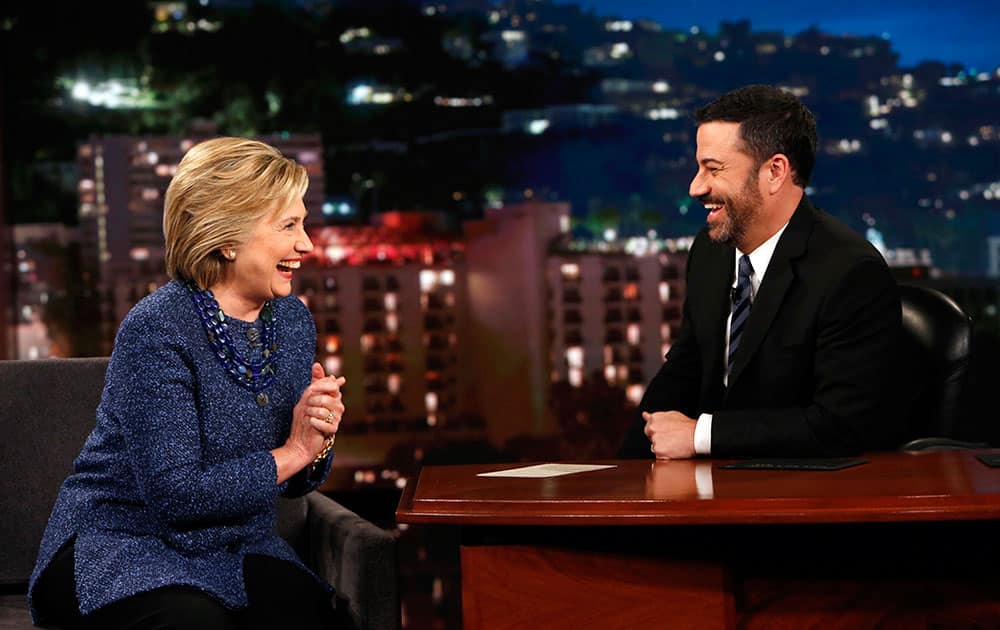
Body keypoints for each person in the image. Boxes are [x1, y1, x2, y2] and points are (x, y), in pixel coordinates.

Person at [28, 137, 346, 628]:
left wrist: (316, 438)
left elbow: (297, 484)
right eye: (289, 226)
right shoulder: (157, 328)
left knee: (315, 617)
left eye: (303, 224)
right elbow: (178, 495)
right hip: (124, 543)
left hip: (236, 545)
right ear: (227, 237)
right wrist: (295, 451)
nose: (306, 244)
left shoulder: (293, 321)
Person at [619, 84, 903, 460]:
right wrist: (619, 475)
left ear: (775, 171)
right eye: (698, 167)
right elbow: (683, 373)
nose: (695, 187)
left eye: (713, 169)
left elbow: (841, 426)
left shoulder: (851, 272)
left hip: (809, 502)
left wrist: (701, 435)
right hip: (712, 493)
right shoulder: (710, 252)